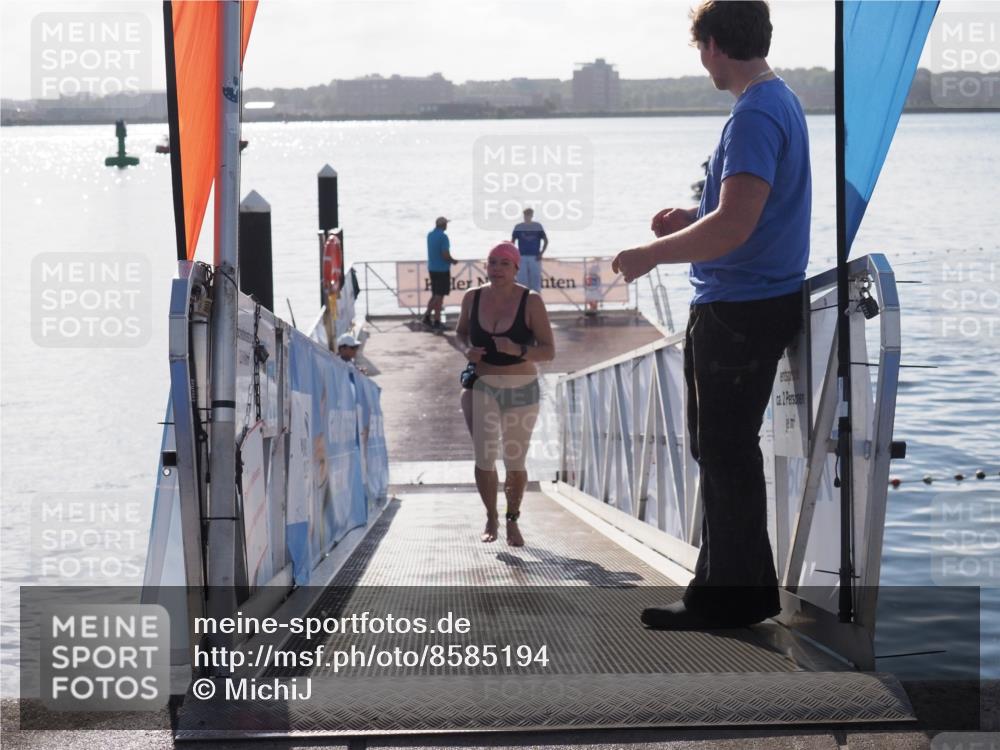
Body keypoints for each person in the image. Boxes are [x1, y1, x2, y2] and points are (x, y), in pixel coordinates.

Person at [612, 0, 810, 629]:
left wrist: (651, 252)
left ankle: (724, 599)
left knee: (723, 453)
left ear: (716, 45)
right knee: (725, 451)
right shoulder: (781, 101)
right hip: (755, 300)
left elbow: (735, 225)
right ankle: (744, 590)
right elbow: (741, 216)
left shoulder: (754, 112)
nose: (701, 61)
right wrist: (687, 224)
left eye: (700, 48)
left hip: (740, 308)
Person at [456, 242, 555, 547]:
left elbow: (549, 351)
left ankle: (512, 519)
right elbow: (460, 334)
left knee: (515, 462)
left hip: (521, 390)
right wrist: (466, 350)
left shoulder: (531, 301)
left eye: (504, 264)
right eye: (492, 263)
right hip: (484, 387)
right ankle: (491, 515)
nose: (497, 269)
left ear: (516, 268)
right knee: (484, 458)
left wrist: (518, 349)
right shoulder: (472, 298)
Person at [424, 216, 458, 330]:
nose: (447, 225)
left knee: (435, 295)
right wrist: (453, 261)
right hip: (442, 270)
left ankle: (428, 317)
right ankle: (436, 321)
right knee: (439, 297)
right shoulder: (443, 237)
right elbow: (445, 255)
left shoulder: (430, 235)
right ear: (443, 225)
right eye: (446, 224)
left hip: (432, 268)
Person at [511, 208, 548, 292]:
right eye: (526, 215)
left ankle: (535, 300)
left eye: (529, 214)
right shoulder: (519, 227)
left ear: (532, 215)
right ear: (523, 215)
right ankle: (522, 301)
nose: (527, 216)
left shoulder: (537, 226)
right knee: (522, 282)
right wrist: (514, 255)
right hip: (522, 256)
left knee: (535, 281)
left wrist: (541, 253)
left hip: (535, 256)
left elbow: (545, 240)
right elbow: (512, 242)